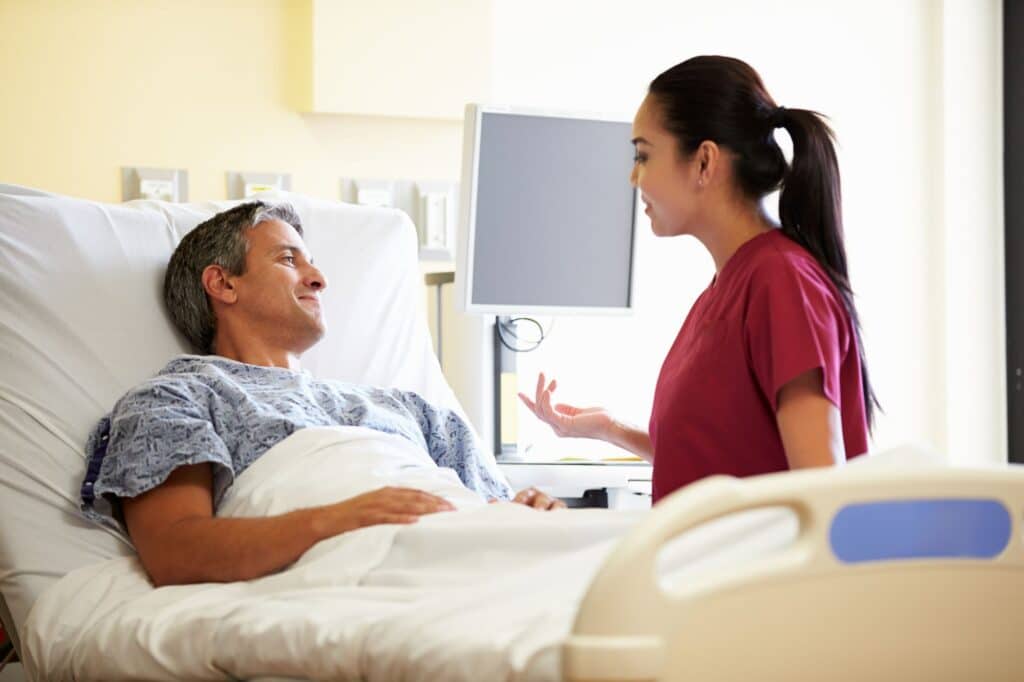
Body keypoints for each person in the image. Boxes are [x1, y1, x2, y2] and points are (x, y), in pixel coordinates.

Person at [80, 201, 563, 588]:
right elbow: (176, 553)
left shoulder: (408, 410)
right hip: (378, 574)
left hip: (484, 561)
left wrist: (531, 513)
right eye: (289, 259)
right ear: (222, 283)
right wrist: (338, 519)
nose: (319, 279)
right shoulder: (175, 399)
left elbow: (497, 513)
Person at [520, 55, 878, 503]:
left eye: (643, 154)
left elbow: (823, 494)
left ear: (704, 162)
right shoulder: (730, 287)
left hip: (749, 572)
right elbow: (720, 460)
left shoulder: (782, 283)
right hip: (706, 566)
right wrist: (609, 428)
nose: (634, 177)